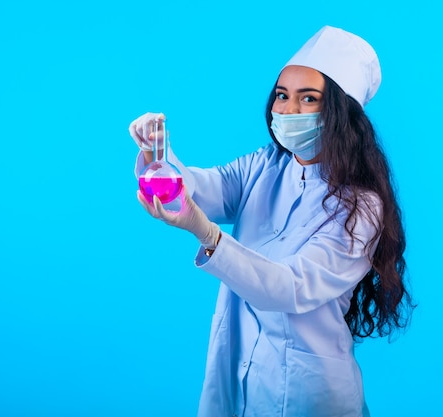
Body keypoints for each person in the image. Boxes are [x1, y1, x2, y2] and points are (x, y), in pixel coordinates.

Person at [129, 26, 415, 417]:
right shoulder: (265, 165)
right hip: (240, 374)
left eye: (308, 99)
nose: (288, 110)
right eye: (282, 95)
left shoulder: (360, 208)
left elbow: (289, 288)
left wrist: (205, 231)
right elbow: (202, 188)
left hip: (312, 396)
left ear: (340, 112)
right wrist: (157, 153)